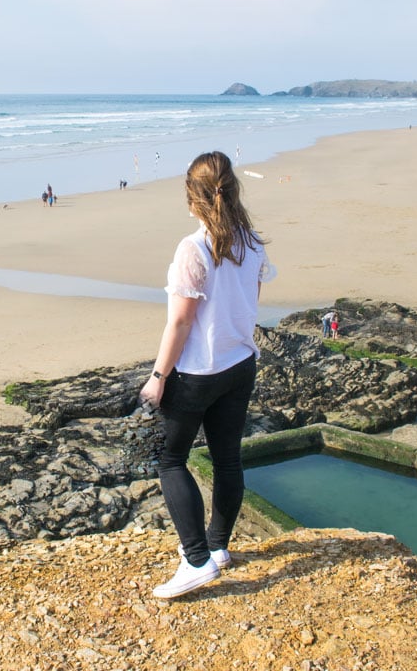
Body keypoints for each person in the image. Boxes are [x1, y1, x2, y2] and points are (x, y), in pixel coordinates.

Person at [139, 150, 275, 599]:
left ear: (192, 197)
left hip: (198, 372)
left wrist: (158, 376)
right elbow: (247, 304)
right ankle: (218, 548)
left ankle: (196, 558)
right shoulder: (251, 242)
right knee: (227, 459)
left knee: (172, 460)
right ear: (231, 190)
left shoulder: (194, 248)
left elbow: (180, 322)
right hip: (240, 365)